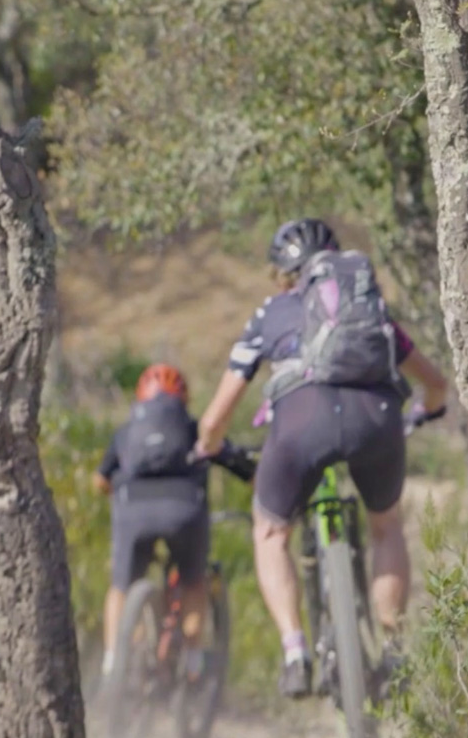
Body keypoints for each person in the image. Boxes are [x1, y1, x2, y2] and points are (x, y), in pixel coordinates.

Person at [193, 218, 450, 697]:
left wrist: (208, 445)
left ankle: (295, 651)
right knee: (386, 526)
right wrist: (425, 412)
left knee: (270, 531)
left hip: (300, 425)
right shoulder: (367, 311)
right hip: (376, 420)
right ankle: (393, 647)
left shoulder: (269, 313)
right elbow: (434, 384)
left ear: (283, 275)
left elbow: (217, 415)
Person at [95, 363, 213, 679]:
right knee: (193, 580)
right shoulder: (192, 428)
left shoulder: (125, 431)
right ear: (183, 398)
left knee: (120, 585)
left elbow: (100, 480)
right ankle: (191, 659)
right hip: (184, 510)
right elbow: (223, 454)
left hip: (133, 511)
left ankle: (112, 661)